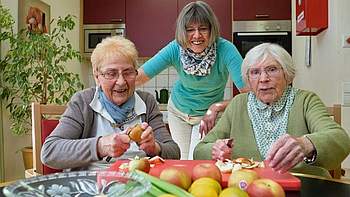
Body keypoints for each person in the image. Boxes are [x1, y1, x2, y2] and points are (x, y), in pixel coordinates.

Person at [194, 43, 350, 177]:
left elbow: (340, 139)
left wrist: (306, 144)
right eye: (255, 72)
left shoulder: (305, 100)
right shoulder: (238, 104)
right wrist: (215, 150)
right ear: (248, 79)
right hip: (247, 187)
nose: (263, 79)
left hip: (304, 186)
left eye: (272, 69)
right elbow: (199, 150)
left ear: (287, 74)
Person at [41, 36, 180, 171]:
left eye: (128, 72)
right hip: (93, 184)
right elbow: (50, 152)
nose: (121, 82)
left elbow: (174, 152)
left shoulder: (147, 102)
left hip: (139, 184)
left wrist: (154, 147)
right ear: (97, 77)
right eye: (111, 73)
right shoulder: (83, 102)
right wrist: (100, 146)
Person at [136, 1, 246, 159]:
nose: (196, 36)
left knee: (197, 159)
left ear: (211, 29)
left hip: (207, 116)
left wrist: (216, 107)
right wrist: (113, 77)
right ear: (183, 31)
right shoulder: (175, 48)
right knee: (181, 159)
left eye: (203, 29)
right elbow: (139, 77)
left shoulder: (226, 50)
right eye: (190, 30)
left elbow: (248, 93)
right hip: (178, 112)